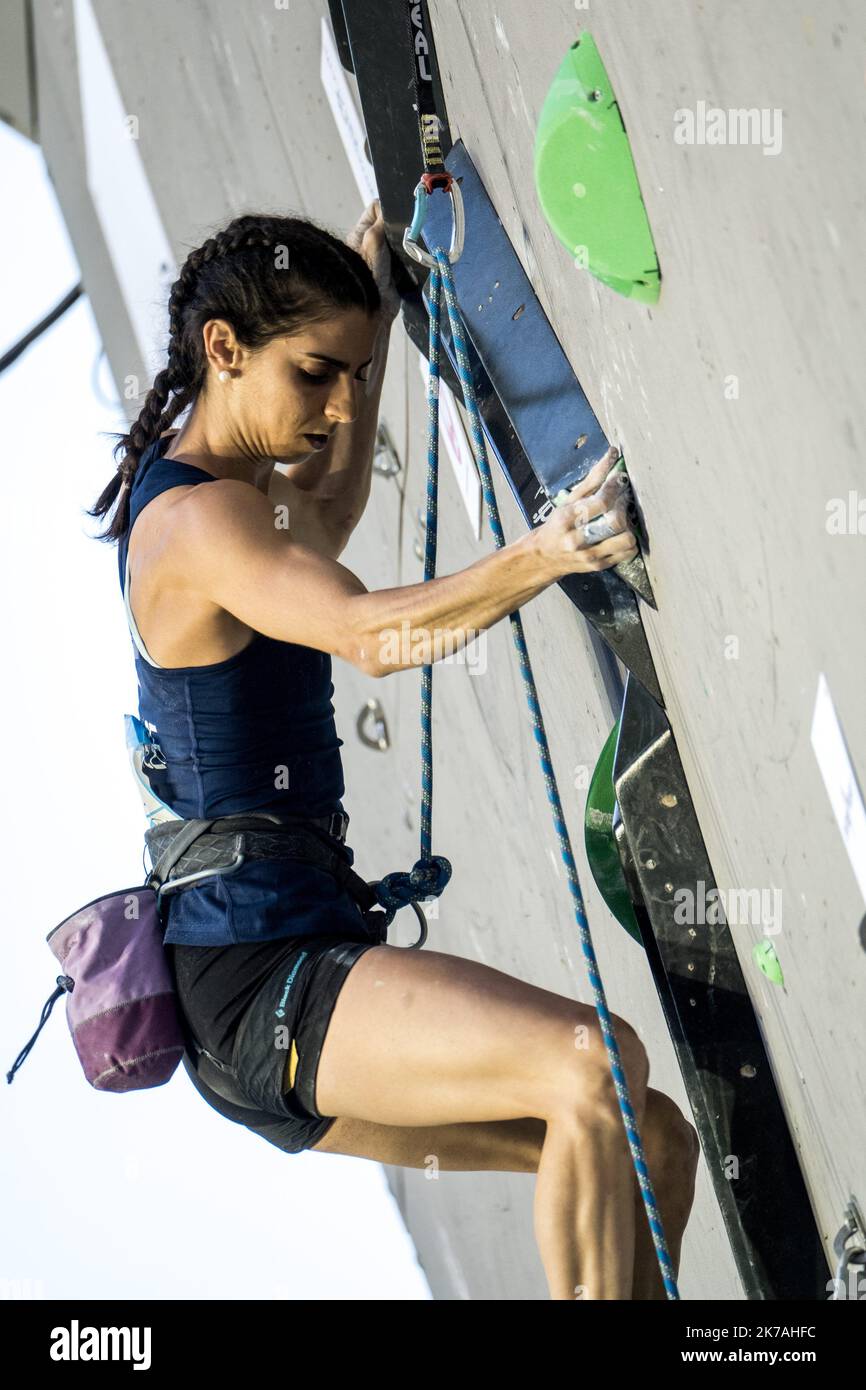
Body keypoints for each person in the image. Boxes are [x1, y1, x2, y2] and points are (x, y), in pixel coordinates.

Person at [87, 199, 699, 1300]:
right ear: (221, 348)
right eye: (316, 373)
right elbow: (374, 636)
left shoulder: (241, 500)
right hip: (259, 984)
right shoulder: (194, 526)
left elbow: (325, 508)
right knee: (589, 1067)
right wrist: (545, 551)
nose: (333, 406)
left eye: (352, 378)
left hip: (278, 983)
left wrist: (366, 314)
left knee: (649, 1144)